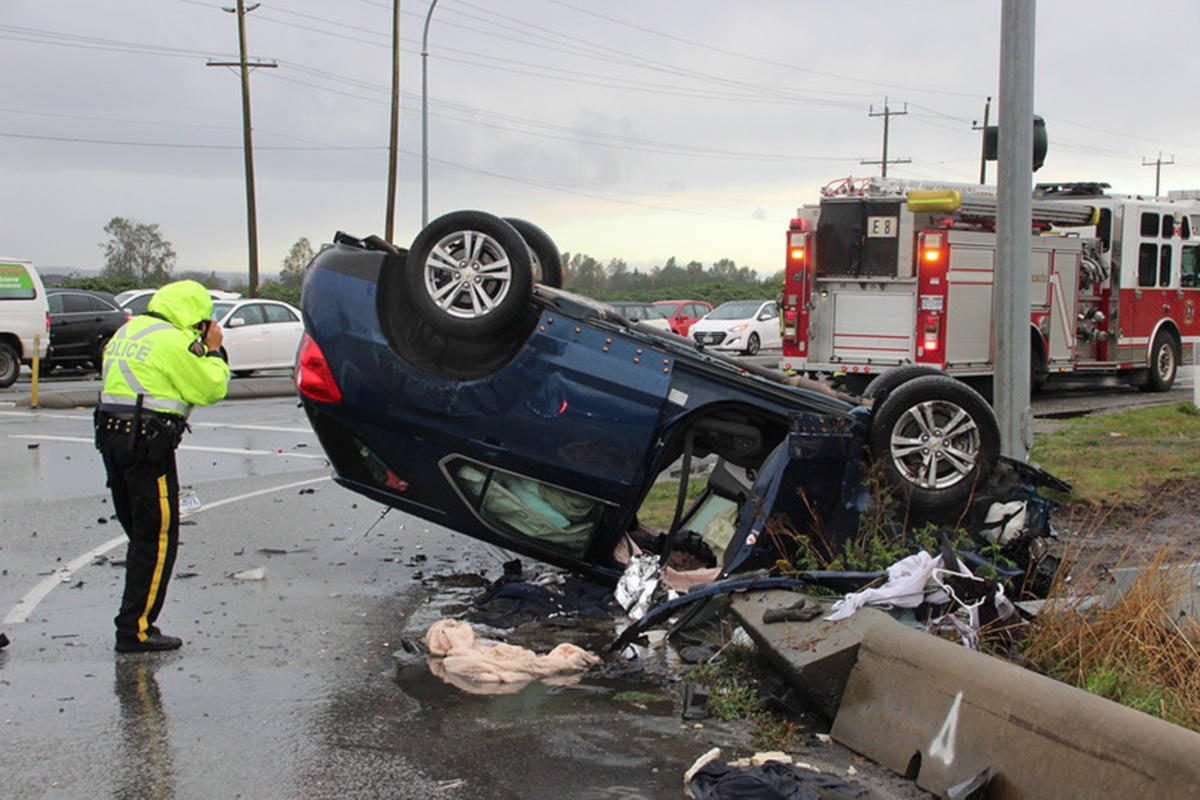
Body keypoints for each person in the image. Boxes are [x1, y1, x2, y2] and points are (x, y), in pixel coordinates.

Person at [94, 280, 230, 653]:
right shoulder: (173, 341)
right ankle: (135, 629)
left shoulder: (129, 331)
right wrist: (214, 352)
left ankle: (133, 623)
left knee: (139, 534)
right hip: (147, 444)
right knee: (156, 537)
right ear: (196, 317)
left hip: (112, 438)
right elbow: (211, 388)